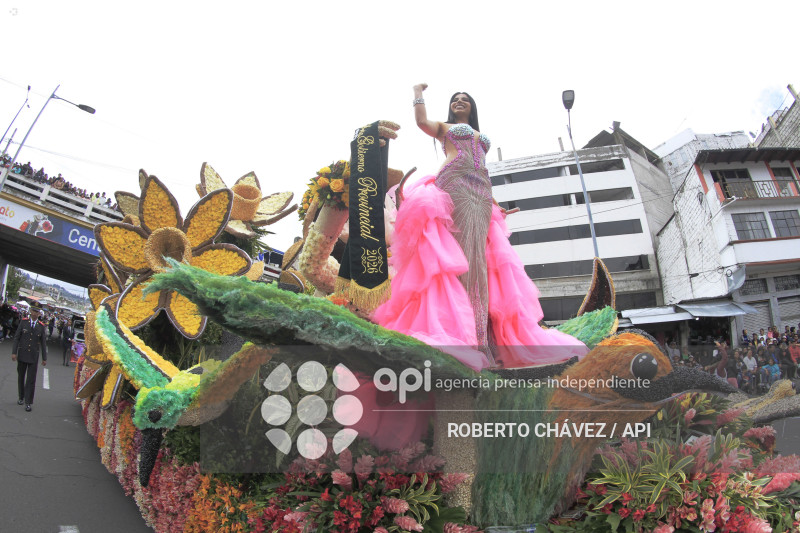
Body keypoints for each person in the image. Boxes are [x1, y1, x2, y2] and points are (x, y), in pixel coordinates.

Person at [374, 85, 587, 371]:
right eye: (455, 100)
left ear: (472, 107)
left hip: (482, 192)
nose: (460, 102)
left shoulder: (478, 134)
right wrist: (417, 92)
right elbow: (421, 121)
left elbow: (482, 168)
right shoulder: (444, 127)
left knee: (481, 264)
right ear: (451, 108)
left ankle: (484, 339)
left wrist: (496, 203)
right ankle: (464, 338)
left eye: (465, 100)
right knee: (462, 259)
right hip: (455, 185)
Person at [11, 303, 48, 412]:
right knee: (21, 377)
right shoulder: (24, 322)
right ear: (30, 311)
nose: (35, 313)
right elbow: (17, 338)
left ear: (39, 313)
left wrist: (44, 358)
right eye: (33, 311)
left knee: (31, 380)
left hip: (33, 356)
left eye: (37, 312)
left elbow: (43, 343)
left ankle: (28, 402)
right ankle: (21, 397)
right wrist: (14, 352)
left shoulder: (41, 326)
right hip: (22, 354)